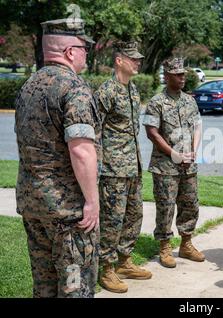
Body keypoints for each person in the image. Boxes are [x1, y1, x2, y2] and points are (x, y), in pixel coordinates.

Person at [14, 18, 101, 298]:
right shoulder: (73, 88)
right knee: (75, 285)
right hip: (68, 213)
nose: (86, 54)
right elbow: (81, 149)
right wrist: (92, 200)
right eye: (84, 48)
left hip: (33, 206)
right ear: (70, 52)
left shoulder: (28, 86)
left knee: (44, 285)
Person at [94, 41, 152, 293]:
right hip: (112, 169)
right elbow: (93, 131)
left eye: (138, 59)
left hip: (132, 166)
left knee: (134, 214)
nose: (137, 62)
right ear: (119, 60)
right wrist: (96, 166)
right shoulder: (106, 91)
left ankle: (124, 261)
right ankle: (106, 268)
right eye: (133, 58)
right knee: (112, 220)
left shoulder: (133, 90)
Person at [143, 57, 204, 268]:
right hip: (165, 166)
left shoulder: (189, 100)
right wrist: (173, 154)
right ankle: (165, 246)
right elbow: (152, 133)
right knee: (166, 207)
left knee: (190, 205)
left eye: (183, 74)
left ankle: (186, 244)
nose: (182, 77)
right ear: (167, 76)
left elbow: (197, 125)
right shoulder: (157, 102)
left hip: (188, 165)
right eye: (177, 74)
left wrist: (194, 151)